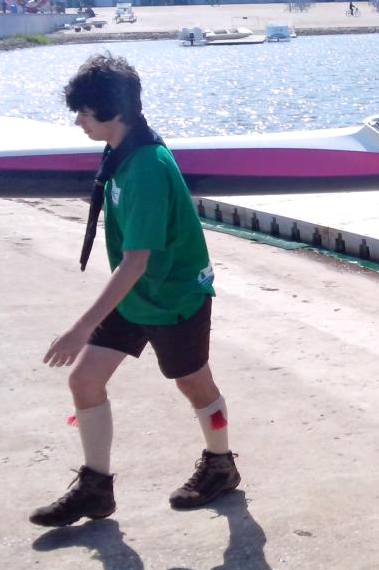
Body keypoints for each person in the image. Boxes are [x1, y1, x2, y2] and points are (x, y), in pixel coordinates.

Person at [29, 52, 238, 528]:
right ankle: (95, 487)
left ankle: (221, 464)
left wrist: (80, 329)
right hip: (135, 294)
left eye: (85, 111)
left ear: (114, 110)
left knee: (194, 384)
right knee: (84, 380)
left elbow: (137, 261)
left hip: (173, 295)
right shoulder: (120, 149)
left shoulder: (145, 166)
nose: (78, 120)